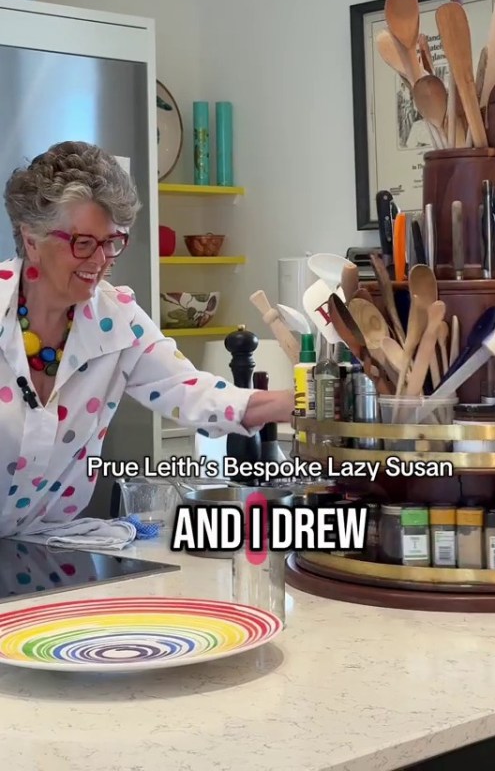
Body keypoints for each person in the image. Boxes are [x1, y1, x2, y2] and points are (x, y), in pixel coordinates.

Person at [0, 141, 293, 538]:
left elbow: (187, 389)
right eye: (83, 243)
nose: (100, 261)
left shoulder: (116, 319)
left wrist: (293, 404)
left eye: (112, 242)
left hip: (44, 548)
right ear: (31, 240)